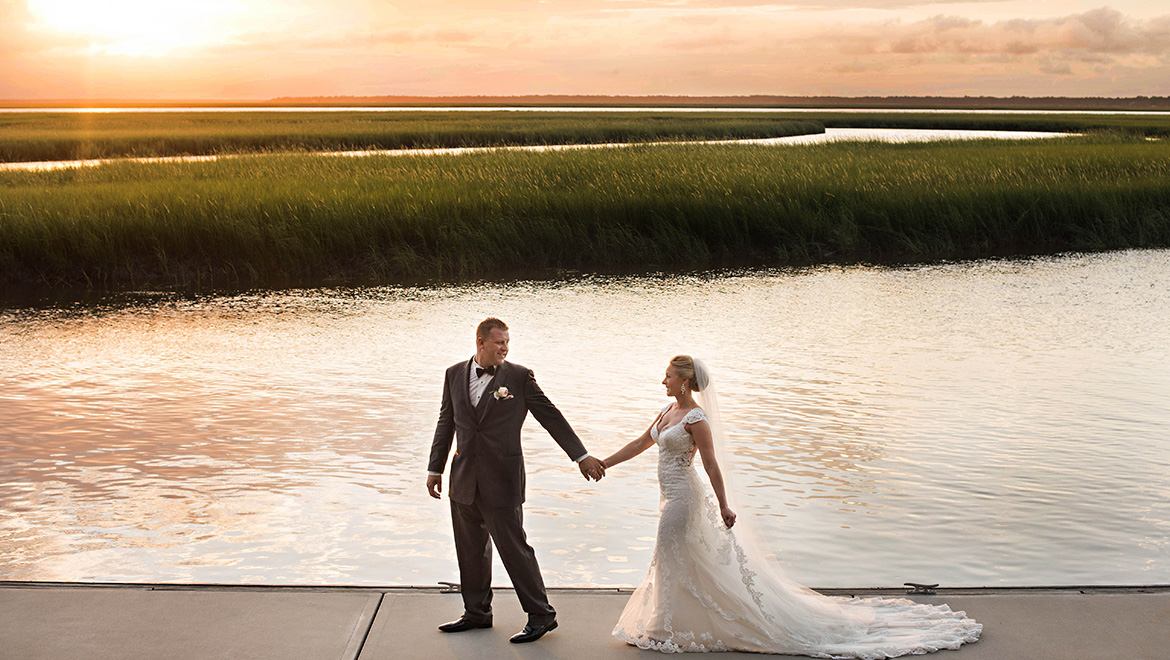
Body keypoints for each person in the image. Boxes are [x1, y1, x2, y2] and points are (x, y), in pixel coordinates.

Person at [602, 355, 982, 657]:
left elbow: (711, 464)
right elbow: (640, 445)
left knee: (667, 552)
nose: (662, 381)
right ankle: (674, 621)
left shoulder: (696, 418)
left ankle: (663, 626)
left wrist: (724, 505)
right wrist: (603, 462)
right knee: (679, 558)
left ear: (684, 380)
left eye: (667, 375)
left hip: (684, 497)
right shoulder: (665, 412)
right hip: (666, 494)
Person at [427, 317, 607, 644]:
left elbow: (550, 415)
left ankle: (541, 615)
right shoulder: (454, 374)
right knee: (470, 551)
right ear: (481, 342)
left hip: (502, 480)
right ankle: (477, 612)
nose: (505, 348)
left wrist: (580, 456)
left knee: (515, 550)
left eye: (507, 342)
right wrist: (434, 467)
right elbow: (446, 421)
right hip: (464, 479)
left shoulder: (520, 378)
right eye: (499, 343)